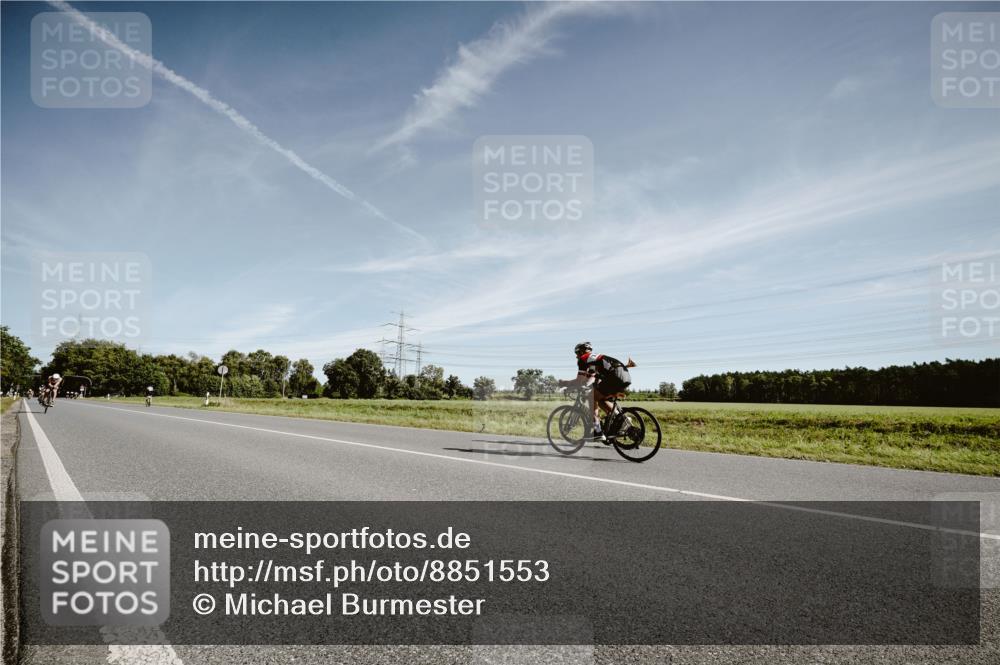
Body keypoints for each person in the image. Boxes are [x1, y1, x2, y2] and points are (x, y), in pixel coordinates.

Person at [558, 342, 634, 443]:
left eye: (576, 353)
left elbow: (579, 381)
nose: (576, 356)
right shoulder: (594, 359)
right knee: (601, 399)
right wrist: (583, 385)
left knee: (591, 397)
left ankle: (598, 431)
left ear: (581, 351)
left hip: (614, 377)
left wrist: (564, 383)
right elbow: (590, 378)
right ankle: (622, 420)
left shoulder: (583, 359)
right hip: (625, 376)